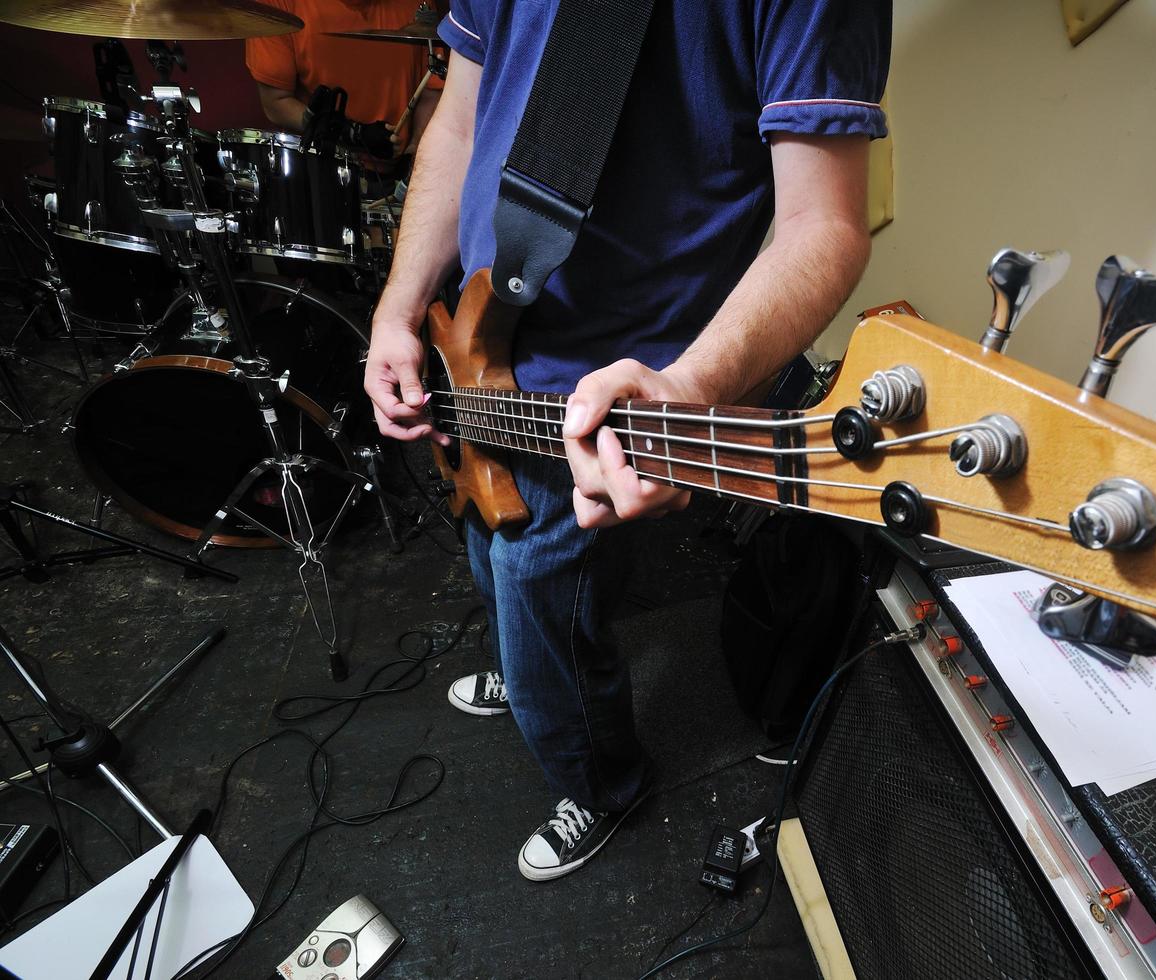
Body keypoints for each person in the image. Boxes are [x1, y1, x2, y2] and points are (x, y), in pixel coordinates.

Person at [365, 1, 890, 882]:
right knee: (487, 553)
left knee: (544, 599)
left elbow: (825, 225)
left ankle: (599, 782)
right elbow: (457, 127)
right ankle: (526, 677)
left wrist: (685, 391)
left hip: (603, 398)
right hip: (473, 347)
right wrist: (395, 306)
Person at [244, 0, 443, 168]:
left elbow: (432, 89)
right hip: (317, 165)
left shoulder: (420, 5)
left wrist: (418, 150)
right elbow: (275, 103)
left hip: (398, 171)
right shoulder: (278, 4)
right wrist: (351, 133)